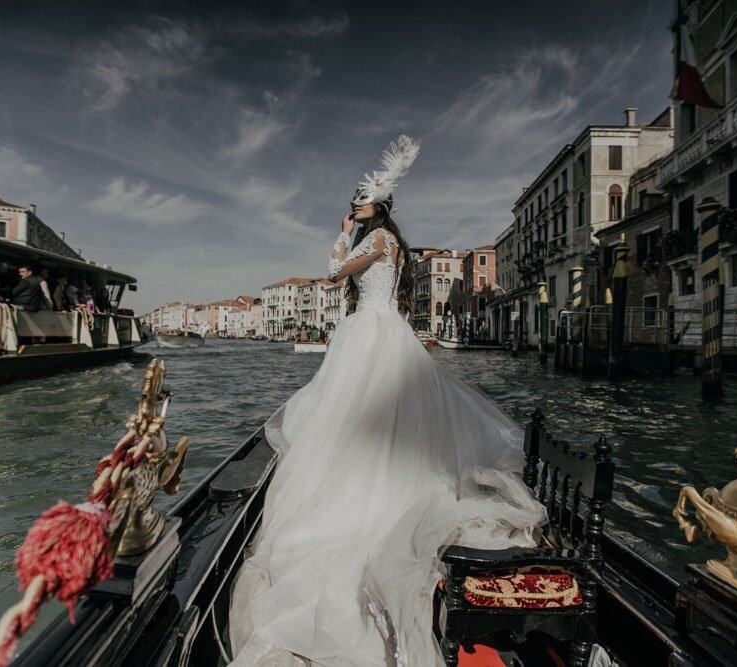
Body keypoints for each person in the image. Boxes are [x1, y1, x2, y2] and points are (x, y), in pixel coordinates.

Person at [229, 136, 546, 665]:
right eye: (354, 199)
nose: (353, 203)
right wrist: (350, 233)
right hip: (377, 330)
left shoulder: (377, 242)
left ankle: (363, 505)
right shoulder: (383, 242)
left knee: (362, 419)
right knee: (369, 420)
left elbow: (334, 274)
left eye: (361, 199)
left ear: (379, 205)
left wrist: (341, 235)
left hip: (372, 333)